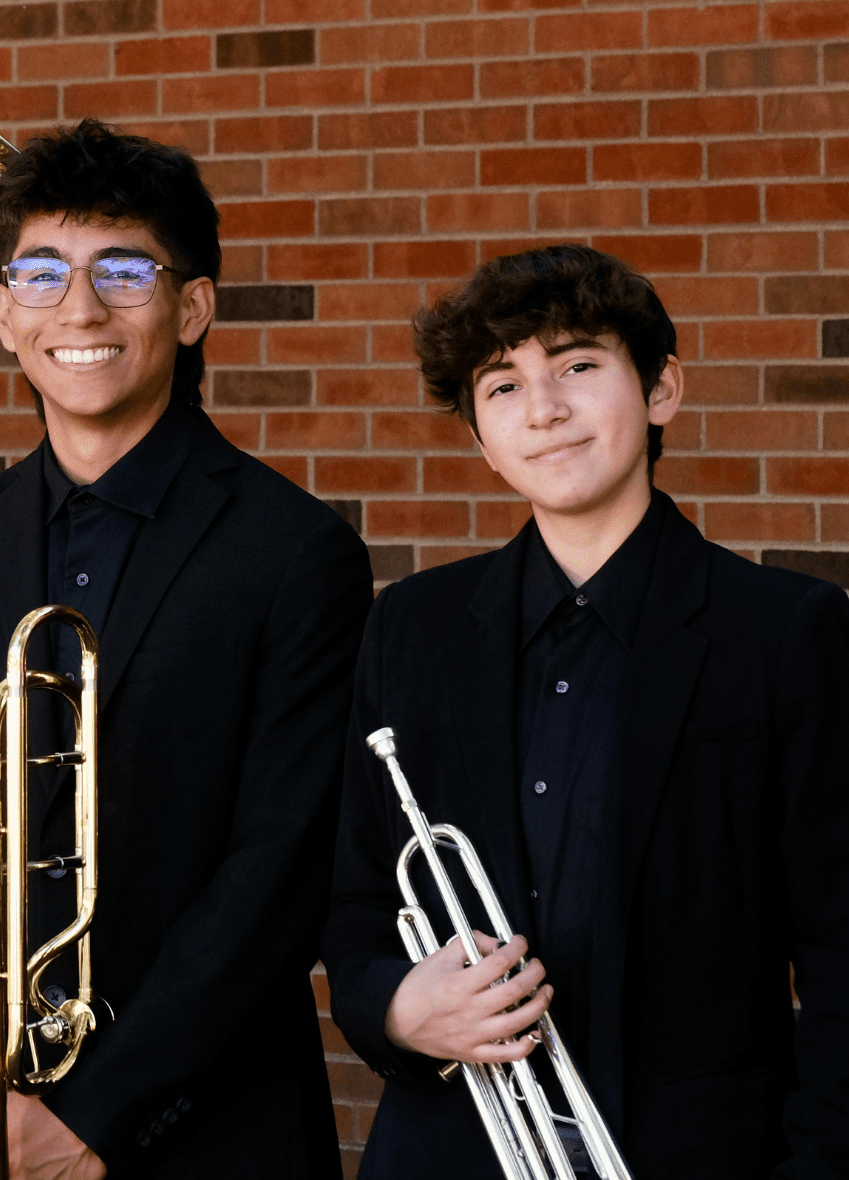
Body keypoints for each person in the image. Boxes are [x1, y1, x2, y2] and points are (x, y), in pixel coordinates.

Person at [0, 118, 371, 1180]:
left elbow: (280, 869)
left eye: (123, 271)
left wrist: (90, 1118)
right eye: (41, 273)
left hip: (209, 1140)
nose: (78, 308)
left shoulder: (296, 554)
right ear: (2, 314)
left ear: (192, 307)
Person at [321, 243, 849, 1177]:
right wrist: (398, 1008)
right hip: (450, 1152)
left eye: (576, 367)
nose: (544, 409)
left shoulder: (785, 631)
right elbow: (357, 896)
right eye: (503, 386)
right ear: (482, 439)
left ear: (661, 390)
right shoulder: (411, 626)